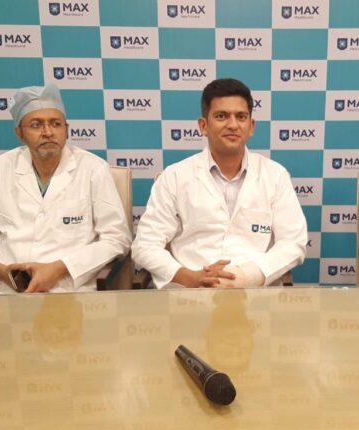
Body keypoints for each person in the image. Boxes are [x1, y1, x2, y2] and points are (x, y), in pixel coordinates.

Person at [132, 78, 307, 288]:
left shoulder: (275, 175)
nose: (232, 125)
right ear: (203, 126)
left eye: (241, 117)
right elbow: (145, 245)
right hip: (189, 294)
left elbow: (293, 242)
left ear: (251, 126)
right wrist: (191, 277)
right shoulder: (174, 176)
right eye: (221, 116)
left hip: (255, 293)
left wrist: (245, 277)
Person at [0, 83, 131, 293]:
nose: (48, 132)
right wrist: (4, 272)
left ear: (66, 130)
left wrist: (60, 268)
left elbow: (117, 238)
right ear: (20, 133)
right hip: (10, 291)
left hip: (71, 289)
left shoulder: (93, 169)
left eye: (56, 124)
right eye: (36, 124)